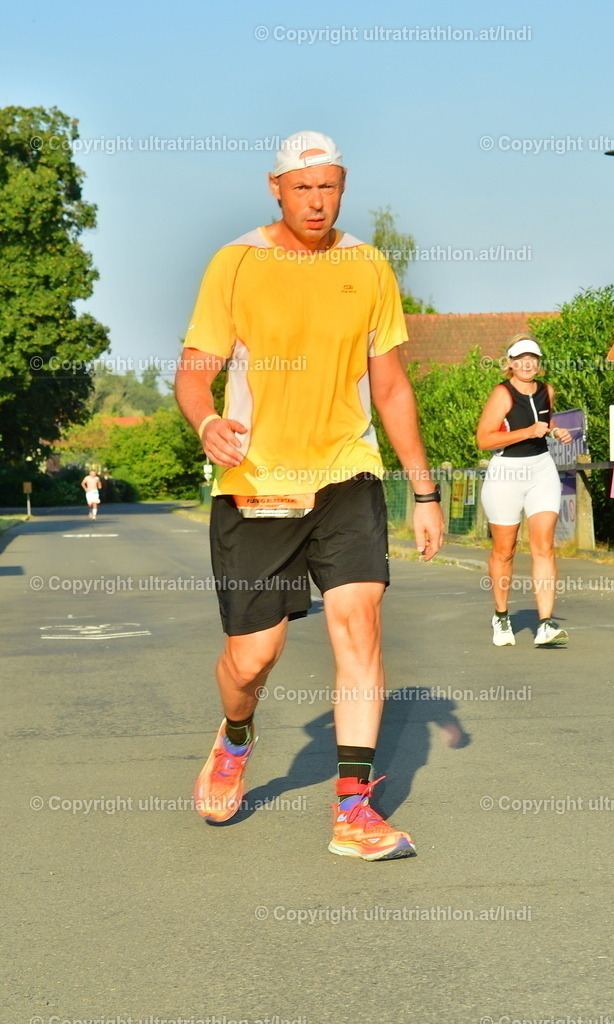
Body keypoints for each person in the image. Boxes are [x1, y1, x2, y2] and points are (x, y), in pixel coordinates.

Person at [174, 130, 443, 860]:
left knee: (357, 621)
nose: (316, 201)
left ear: (342, 186)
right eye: (302, 188)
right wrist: (205, 423)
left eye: (328, 187)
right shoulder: (236, 263)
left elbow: (388, 385)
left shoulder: (367, 264)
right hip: (257, 485)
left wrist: (422, 490)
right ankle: (235, 735)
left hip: (346, 473)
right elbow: (194, 371)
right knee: (251, 660)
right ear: (275, 188)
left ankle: (353, 808)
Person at [476, 335, 572, 647]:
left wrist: (555, 429)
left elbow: (544, 418)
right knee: (505, 550)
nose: (527, 364)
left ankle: (545, 623)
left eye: (533, 358)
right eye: (521, 359)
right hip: (506, 472)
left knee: (543, 546)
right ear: (511, 364)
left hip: (541, 469)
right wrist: (527, 432)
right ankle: (501, 615)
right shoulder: (502, 394)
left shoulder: (547, 391)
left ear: (539, 362)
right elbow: (484, 439)